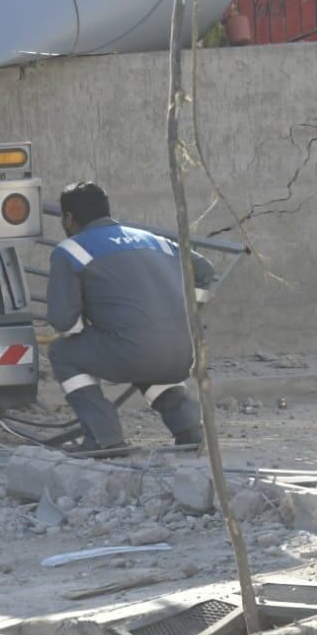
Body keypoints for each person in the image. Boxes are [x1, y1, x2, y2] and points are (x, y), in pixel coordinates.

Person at [47, 181, 215, 454]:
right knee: (147, 359)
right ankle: (189, 429)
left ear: (68, 217)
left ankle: (104, 438)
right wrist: (191, 308)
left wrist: (80, 324)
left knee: (62, 352)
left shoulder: (71, 250)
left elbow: (63, 321)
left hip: (132, 351)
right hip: (183, 351)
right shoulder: (154, 240)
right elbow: (205, 269)